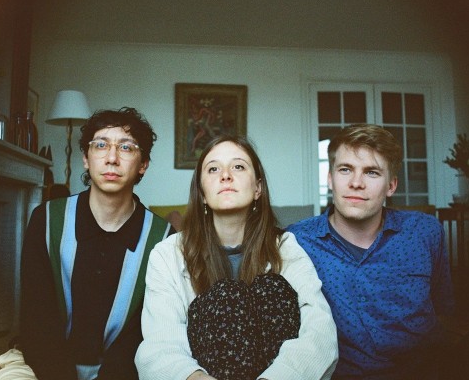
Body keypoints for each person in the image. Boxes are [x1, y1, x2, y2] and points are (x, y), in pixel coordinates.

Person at [135, 135, 338, 380]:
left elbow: (320, 331)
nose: (225, 175)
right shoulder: (167, 254)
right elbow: (159, 344)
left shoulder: (285, 247)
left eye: (238, 166)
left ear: (258, 188)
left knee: (272, 288)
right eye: (213, 169)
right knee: (224, 297)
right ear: (202, 193)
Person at [16, 107, 175, 380]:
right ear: (86, 159)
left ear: (143, 164)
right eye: (100, 145)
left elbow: (145, 334)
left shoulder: (163, 239)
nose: (112, 158)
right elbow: (36, 319)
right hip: (48, 369)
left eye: (126, 147)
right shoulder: (47, 220)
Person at [287, 124, 454, 379]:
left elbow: (443, 307)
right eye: (345, 170)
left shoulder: (425, 232)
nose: (356, 183)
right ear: (330, 179)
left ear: (391, 185)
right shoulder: (297, 240)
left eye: (372, 172)